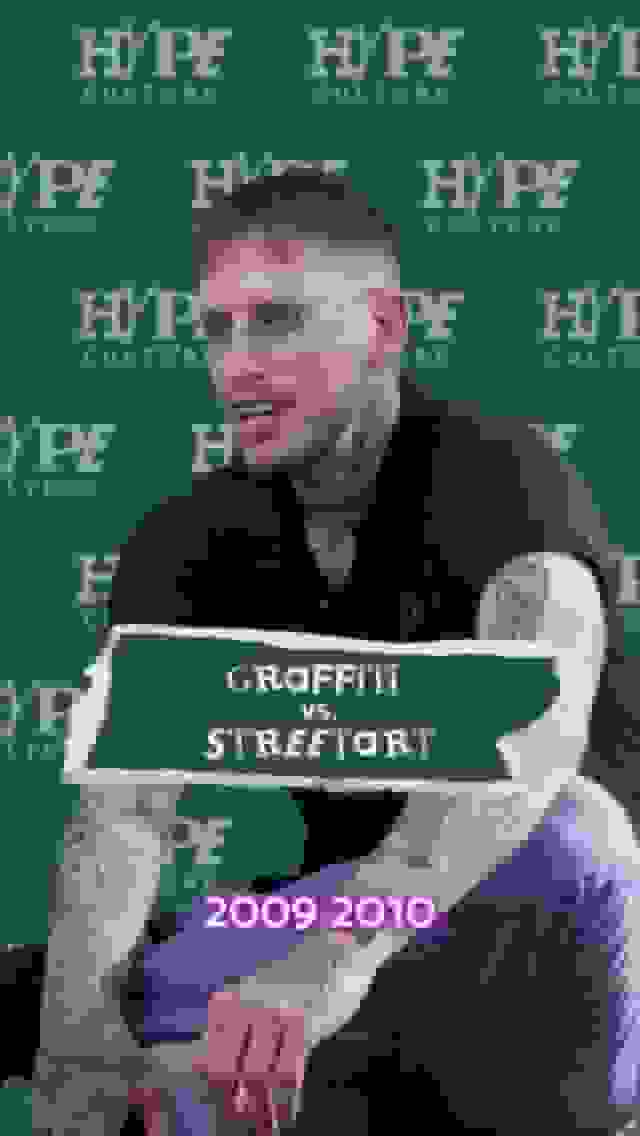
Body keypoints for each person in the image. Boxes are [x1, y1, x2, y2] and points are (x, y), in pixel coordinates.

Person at [33, 170, 639, 1134]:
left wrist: (331, 957)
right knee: (76, 988)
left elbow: (537, 739)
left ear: (384, 327)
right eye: (218, 329)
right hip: (358, 936)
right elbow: (126, 815)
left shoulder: (501, 476)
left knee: (575, 827)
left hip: (557, 934)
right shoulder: (192, 537)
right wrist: (76, 1043)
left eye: (277, 321)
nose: (237, 366)